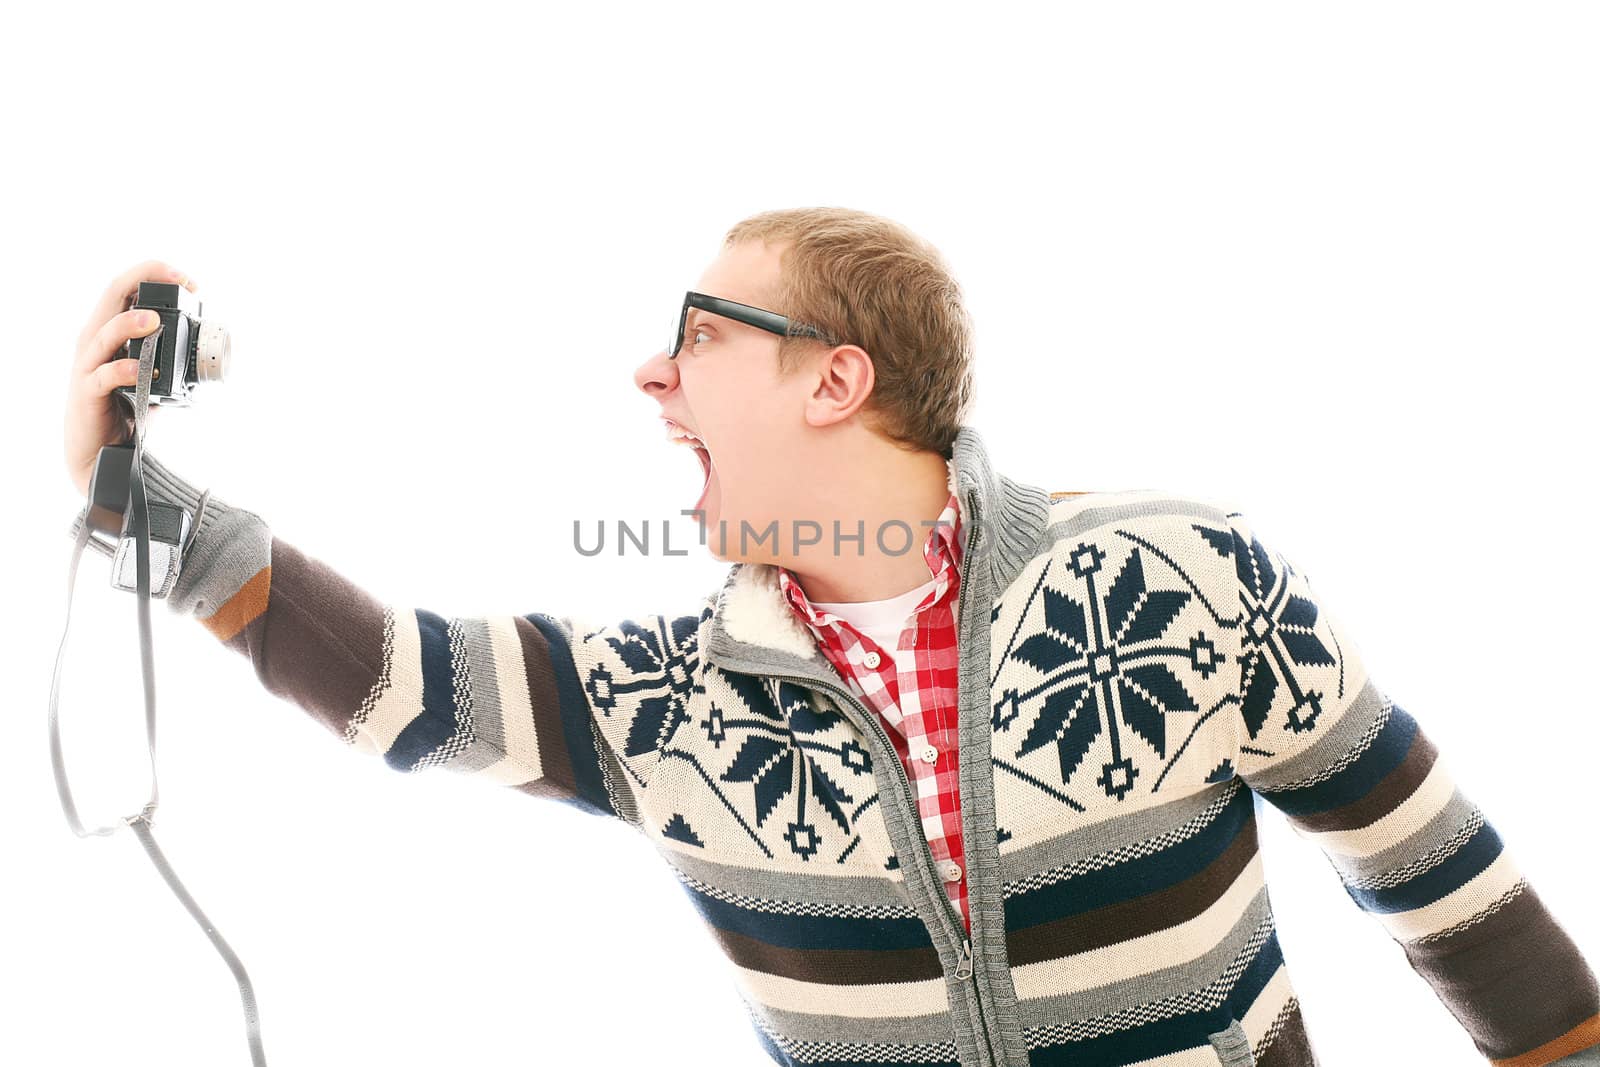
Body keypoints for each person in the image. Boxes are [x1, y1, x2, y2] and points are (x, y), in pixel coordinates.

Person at [62, 209, 1600, 1067]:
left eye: (703, 337)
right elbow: (403, 681)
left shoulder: (1181, 580)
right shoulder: (666, 705)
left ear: (836, 382)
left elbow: (1445, 882)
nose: (651, 379)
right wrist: (140, 503)